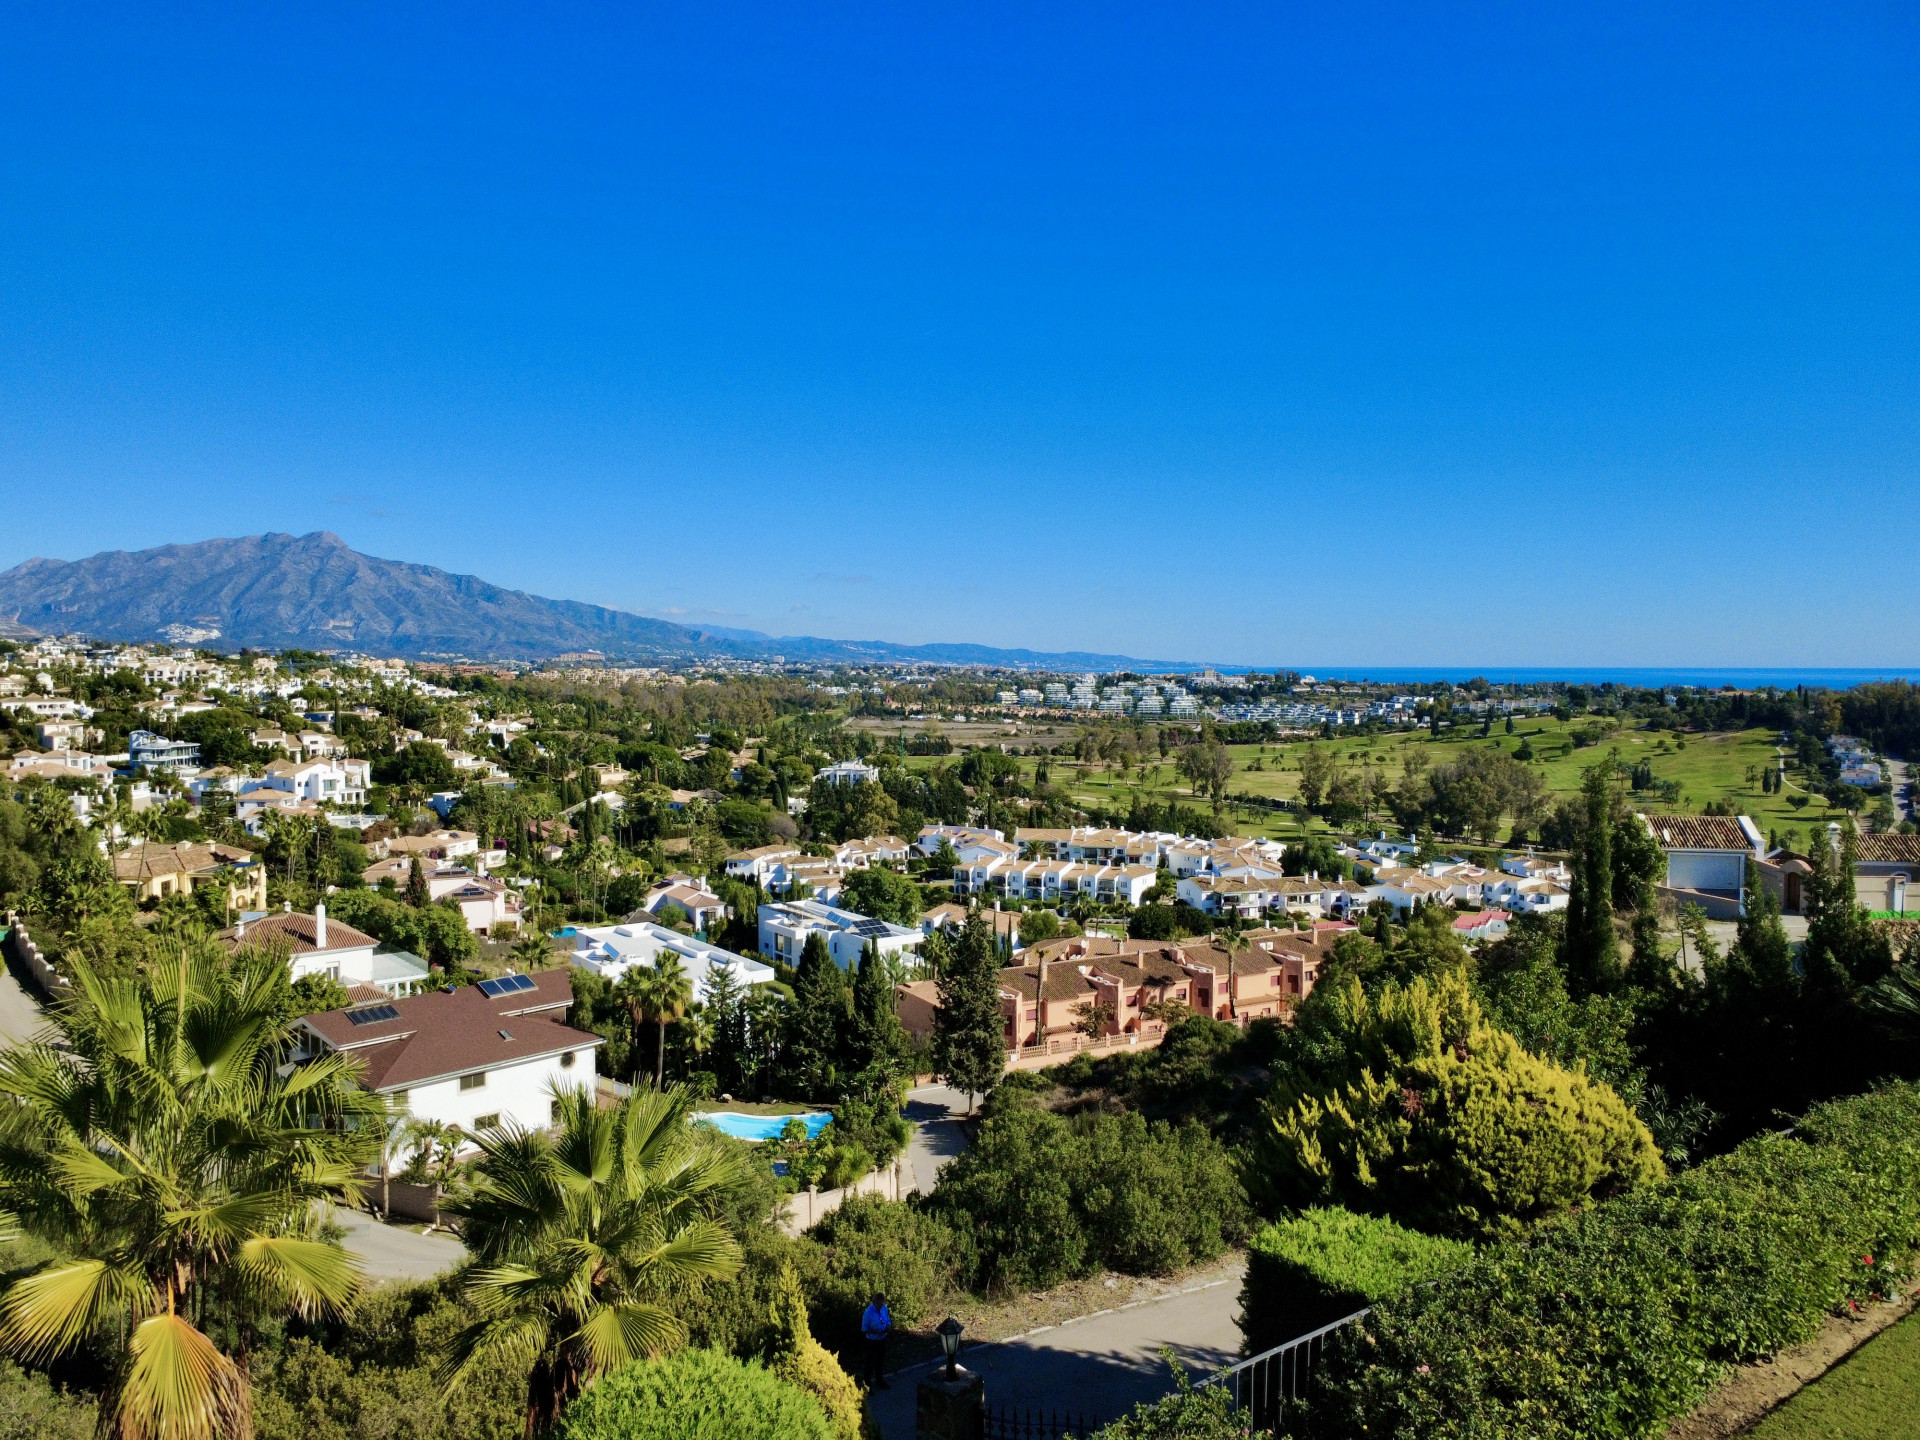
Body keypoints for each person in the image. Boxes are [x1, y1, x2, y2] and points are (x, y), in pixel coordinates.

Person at [860, 1291, 892, 1389]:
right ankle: (867, 1384)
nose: (880, 1305)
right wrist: (876, 1331)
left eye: (882, 1303)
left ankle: (880, 1380)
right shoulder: (868, 1312)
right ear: (875, 1301)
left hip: (882, 1339)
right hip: (872, 1341)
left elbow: (888, 1320)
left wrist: (888, 1327)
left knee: (880, 1361)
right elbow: (864, 1329)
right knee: (870, 1363)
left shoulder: (884, 1308)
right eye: (879, 1303)